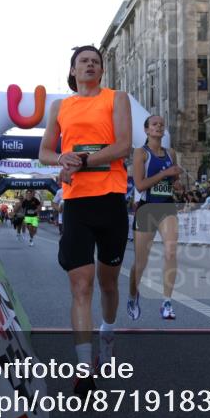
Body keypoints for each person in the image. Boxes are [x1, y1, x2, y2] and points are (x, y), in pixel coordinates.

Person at [38, 45, 132, 396]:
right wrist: (62, 157)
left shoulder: (116, 98)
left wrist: (81, 161)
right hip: (77, 203)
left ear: (101, 71)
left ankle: (107, 332)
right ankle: (83, 369)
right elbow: (46, 152)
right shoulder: (60, 106)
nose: (90, 65)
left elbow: (123, 146)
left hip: (109, 199)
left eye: (96, 61)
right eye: (84, 62)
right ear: (73, 70)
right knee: (81, 286)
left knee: (108, 284)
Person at [127, 115, 183, 322]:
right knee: (141, 262)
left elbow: (174, 182)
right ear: (146, 130)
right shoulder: (141, 153)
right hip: (147, 207)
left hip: (167, 206)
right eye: (154, 124)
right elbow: (140, 185)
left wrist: (177, 183)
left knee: (170, 251)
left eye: (161, 124)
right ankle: (133, 296)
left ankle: (167, 303)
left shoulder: (171, 153)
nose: (159, 127)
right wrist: (166, 173)